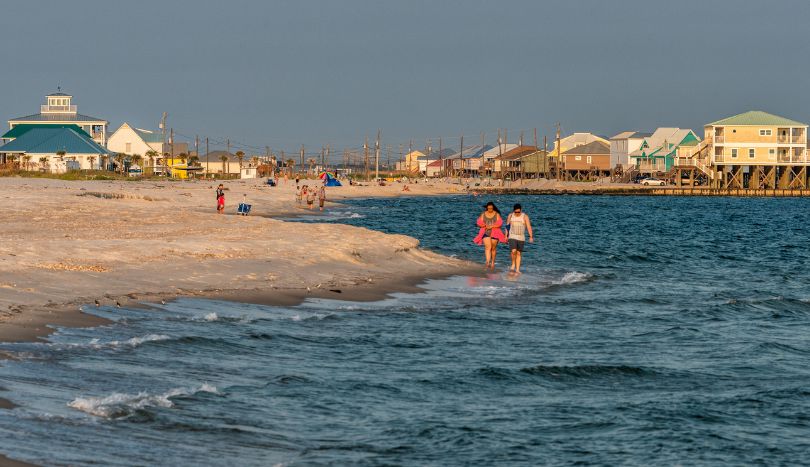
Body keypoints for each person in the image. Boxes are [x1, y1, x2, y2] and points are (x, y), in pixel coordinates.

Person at [473, 202, 507, 270]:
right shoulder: (483, 214)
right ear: (487, 208)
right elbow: (479, 222)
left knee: (493, 248)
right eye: (488, 208)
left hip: (495, 232)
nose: (490, 210)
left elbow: (500, 223)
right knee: (488, 247)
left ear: (493, 208)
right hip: (485, 232)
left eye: (491, 208)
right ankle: (488, 262)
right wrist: (484, 225)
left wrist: (491, 226)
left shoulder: (496, 214)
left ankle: (493, 262)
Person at [506, 203, 534, 274]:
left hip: (521, 237)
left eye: (519, 212)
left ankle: (517, 269)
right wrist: (505, 235)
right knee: (513, 251)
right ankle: (513, 264)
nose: (517, 213)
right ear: (514, 211)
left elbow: (528, 226)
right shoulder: (510, 216)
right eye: (516, 212)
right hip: (512, 236)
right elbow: (507, 226)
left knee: (518, 253)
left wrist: (531, 236)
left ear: (521, 210)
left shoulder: (525, 216)